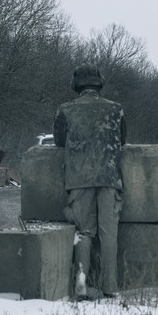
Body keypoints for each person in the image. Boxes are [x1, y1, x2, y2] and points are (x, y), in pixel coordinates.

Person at [54, 63, 126, 298]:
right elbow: (122, 140)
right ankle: (110, 287)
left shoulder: (65, 109)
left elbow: (59, 141)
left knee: (84, 232)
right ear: (99, 83)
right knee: (109, 234)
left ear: (76, 84)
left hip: (78, 178)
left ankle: (81, 287)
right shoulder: (116, 109)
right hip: (109, 177)